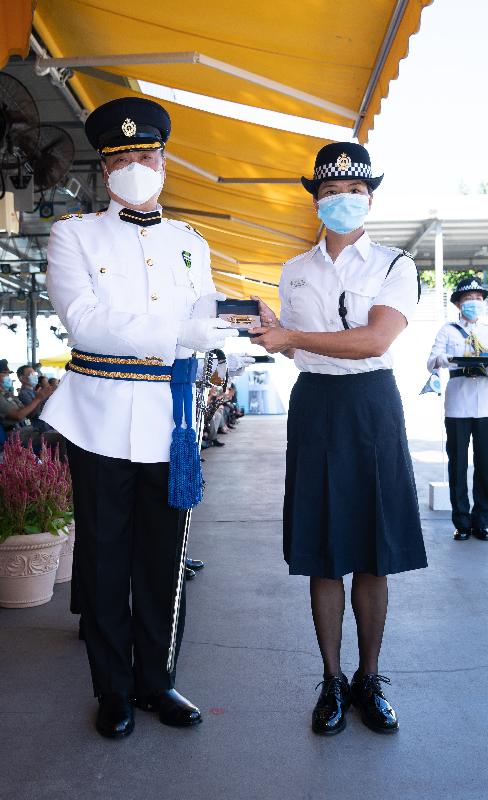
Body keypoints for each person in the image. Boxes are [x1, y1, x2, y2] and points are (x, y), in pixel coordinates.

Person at [40, 97, 238, 739]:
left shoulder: (190, 243)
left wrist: (225, 330)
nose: (134, 165)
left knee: (164, 560)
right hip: (98, 419)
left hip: (170, 424)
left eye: (144, 154)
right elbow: (87, 323)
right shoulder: (74, 234)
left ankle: (158, 680)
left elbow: (207, 327)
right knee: (102, 560)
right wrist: (183, 330)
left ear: (164, 160)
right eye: (120, 156)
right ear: (104, 169)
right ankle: (113, 689)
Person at [250, 142, 427, 736]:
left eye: (353, 193)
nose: (342, 202)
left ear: (370, 199)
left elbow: (376, 341)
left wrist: (293, 334)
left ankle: (369, 677)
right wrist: (276, 335)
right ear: (316, 203)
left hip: (372, 403)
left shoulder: (396, 265)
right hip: (316, 406)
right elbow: (297, 349)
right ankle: (331, 679)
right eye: (330, 194)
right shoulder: (294, 271)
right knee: (323, 551)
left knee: (372, 553)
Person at [427, 277, 488, 542]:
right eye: (469, 299)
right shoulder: (448, 331)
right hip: (458, 403)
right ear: (459, 303)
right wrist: (448, 360)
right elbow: (432, 360)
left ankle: (482, 522)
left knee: (485, 465)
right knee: (458, 465)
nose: (475, 303)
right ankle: (461, 522)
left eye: (479, 299)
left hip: (487, 403)